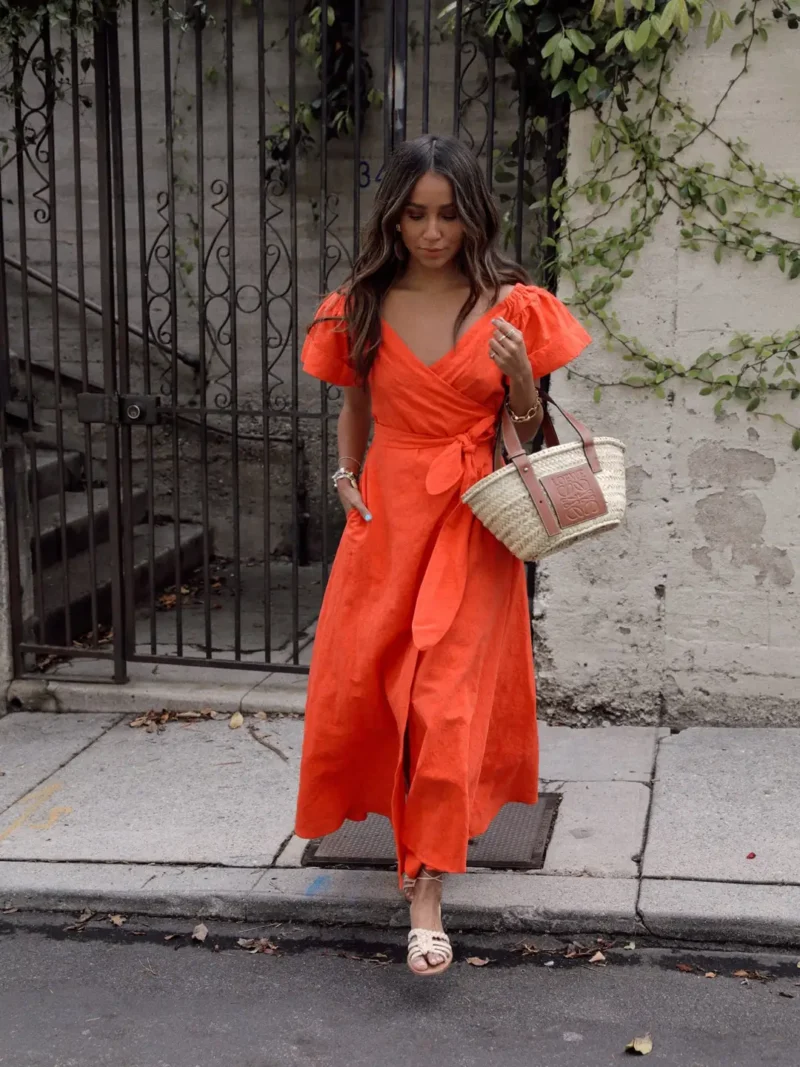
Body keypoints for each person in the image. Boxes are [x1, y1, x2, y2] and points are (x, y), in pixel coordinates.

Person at [294, 133, 590, 976]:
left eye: (449, 215)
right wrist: (346, 475)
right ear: (393, 214)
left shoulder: (513, 306)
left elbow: (526, 432)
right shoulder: (356, 303)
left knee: (444, 703)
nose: (432, 232)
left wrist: (523, 379)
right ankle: (413, 844)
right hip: (388, 520)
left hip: (473, 521)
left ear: (473, 214)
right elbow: (355, 406)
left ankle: (424, 893)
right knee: (380, 693)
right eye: (416, 214)